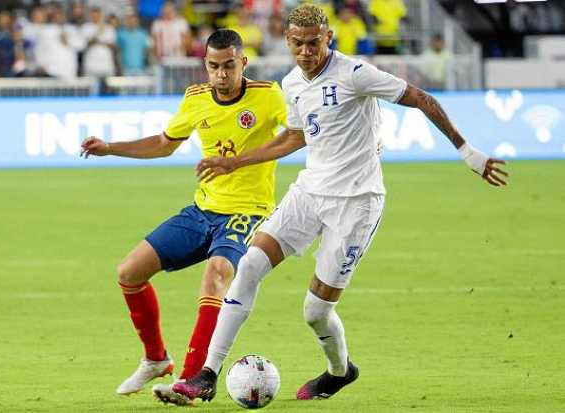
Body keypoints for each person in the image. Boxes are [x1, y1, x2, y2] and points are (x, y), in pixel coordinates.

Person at [172, 3, 509, 404]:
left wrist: (468, 152)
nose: (306, 52)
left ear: (328, 38)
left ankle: (340, 370)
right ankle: (207, 374)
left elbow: (420, 97)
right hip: (310, 191)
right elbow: (293, 137)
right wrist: (234, 162)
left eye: (313, 43)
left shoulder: (355, 74)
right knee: (249, 265)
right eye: (297, 44)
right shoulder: (292, 83)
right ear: (287, 41)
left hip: (357, 202)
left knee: (315, 311)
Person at [79, 29, 286, 405]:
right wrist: (111, 148)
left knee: (217, 274)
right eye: (213, 67)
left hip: (247, 211)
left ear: (243, 62)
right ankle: (156, 359)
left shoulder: (268, 95)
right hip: (202, 209)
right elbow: (164, 143)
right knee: (129, 273)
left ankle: (193, 380)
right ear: (205, 66)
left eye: (228, 66)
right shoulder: (196, 98)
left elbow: (300, 133)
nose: (221, 75)